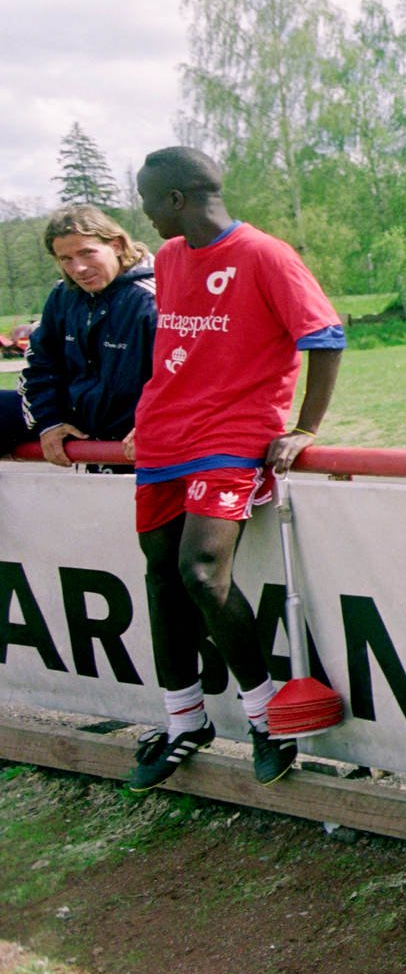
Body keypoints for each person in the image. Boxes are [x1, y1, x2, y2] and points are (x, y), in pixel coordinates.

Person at [125, 146, 345, 794]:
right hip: (164, 433)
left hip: (232, 434)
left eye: (144, 197)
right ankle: (184, 721)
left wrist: (305, 427)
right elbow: (181, 345)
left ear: (175, 199)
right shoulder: (167, 258)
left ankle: (266, 717)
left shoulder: (265, 254)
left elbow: (325, 337)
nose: (138, 209)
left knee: (201, 571)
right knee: (162, 574)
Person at [3, 206, 155, 466]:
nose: (79, 268)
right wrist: (49, 422)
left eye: (87, 253)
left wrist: (154, 424)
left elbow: (185, 376)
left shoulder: (151, 298)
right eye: (66, 259)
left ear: (117, 245)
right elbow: (40, 366)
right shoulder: (64, 294)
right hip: (78, 418)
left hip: (135, 425)